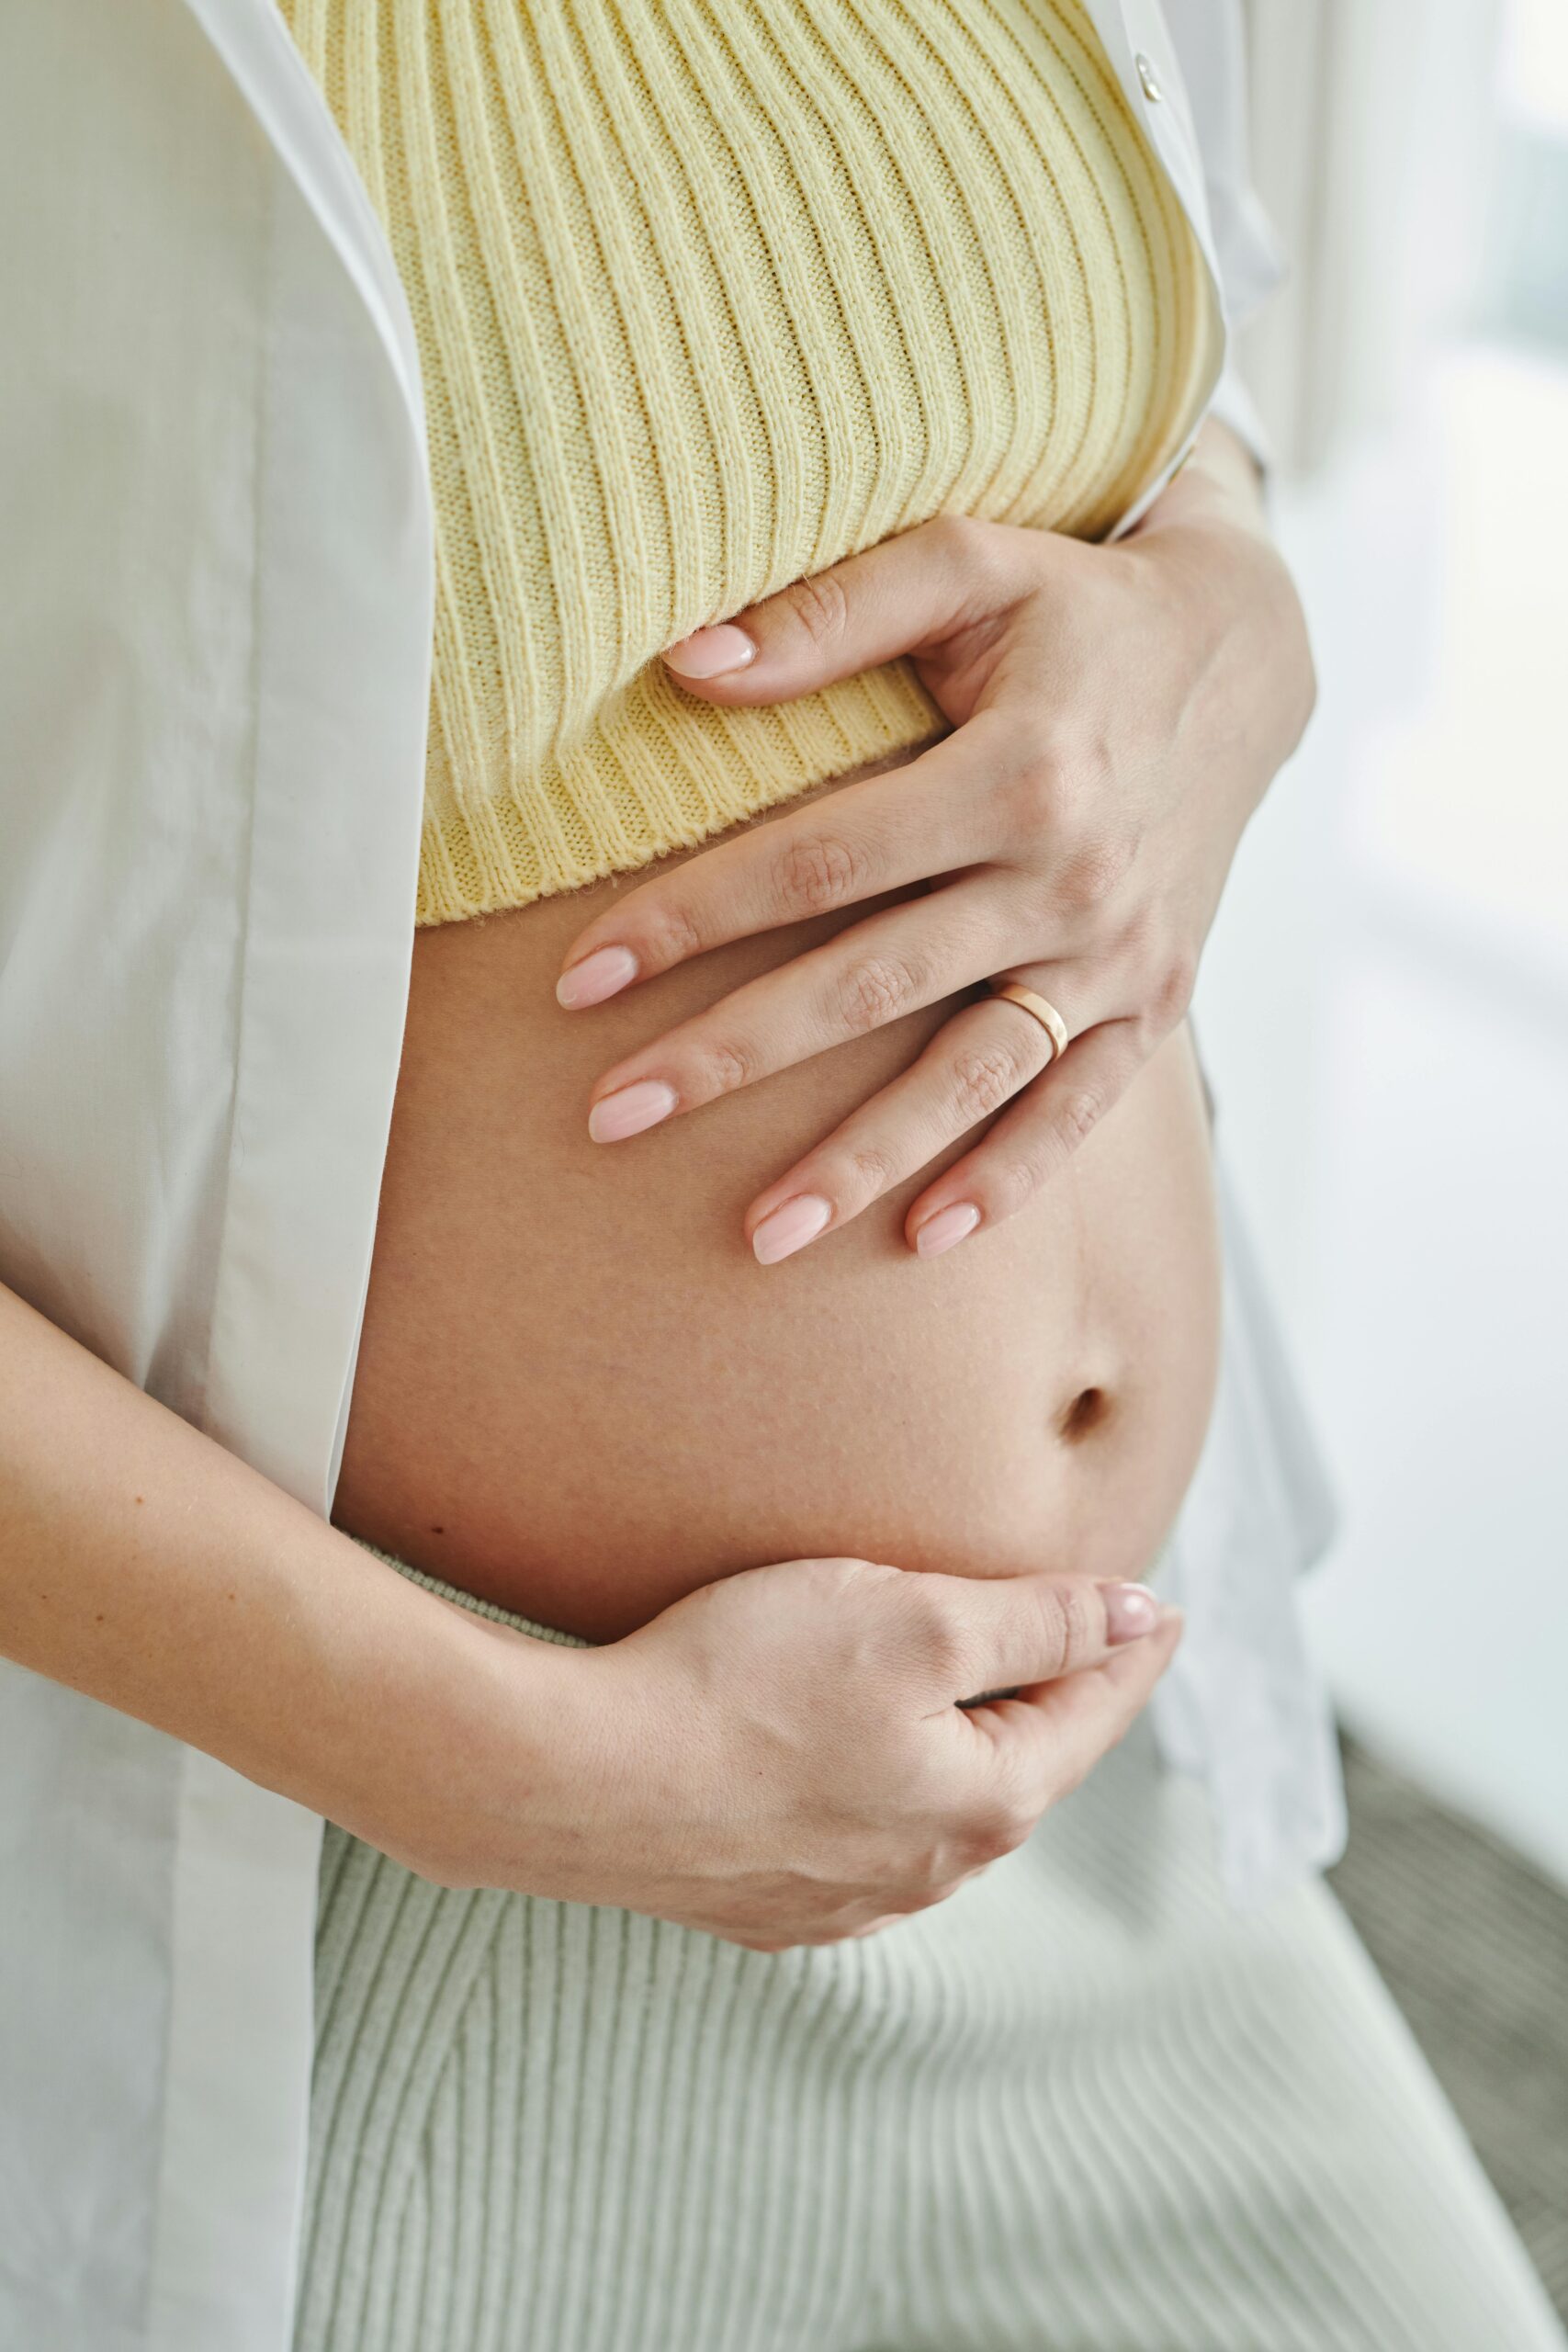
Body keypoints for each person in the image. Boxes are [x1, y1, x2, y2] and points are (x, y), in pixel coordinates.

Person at [0, 3, 1560, 2347]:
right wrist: (517, 1765)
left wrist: (1222, 608)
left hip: (1085, 1805)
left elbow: (1132, 365)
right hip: (368, 1870)